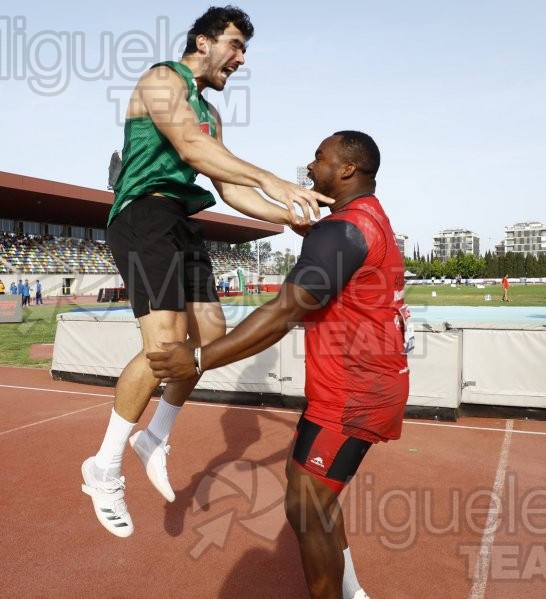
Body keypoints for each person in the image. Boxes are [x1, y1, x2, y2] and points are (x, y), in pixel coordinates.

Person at [81, 5, 330, 542]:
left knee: (210, 337)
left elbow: (229, 187)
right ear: (203, 41)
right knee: (164, 346)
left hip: (183, 224)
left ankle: (155, 437)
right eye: (235, 46)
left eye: (244, 51)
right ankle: (103, 466)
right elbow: (192, 149)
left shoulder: (212, 115)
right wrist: (276, 180)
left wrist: (289, 215)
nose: (240, 59)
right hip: (144, 215)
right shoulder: (161, 79)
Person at [147, 131, 404, 599]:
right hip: (346, 389)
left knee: (306, 506)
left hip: (355, 394)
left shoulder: (343, 230)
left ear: (347, 169)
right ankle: (354, 594)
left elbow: (283, 312)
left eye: (319, 158)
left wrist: (200, 359)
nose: (310, 166)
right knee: (309, 493)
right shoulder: (364, 220)